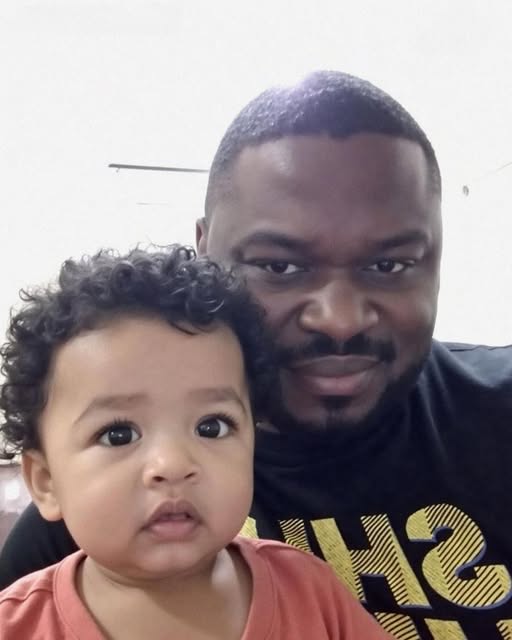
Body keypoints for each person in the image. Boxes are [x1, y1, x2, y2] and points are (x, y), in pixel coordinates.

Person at [1, 70, 512, 639]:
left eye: (389, 265)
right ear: (205, 251)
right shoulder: (79, 524)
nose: (339, 319)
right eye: (280, 266)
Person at [0, 245, 389, 639]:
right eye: (118, 435)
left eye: (212, 427)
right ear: (46, 481)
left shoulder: (309, 592)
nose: (173, 464)